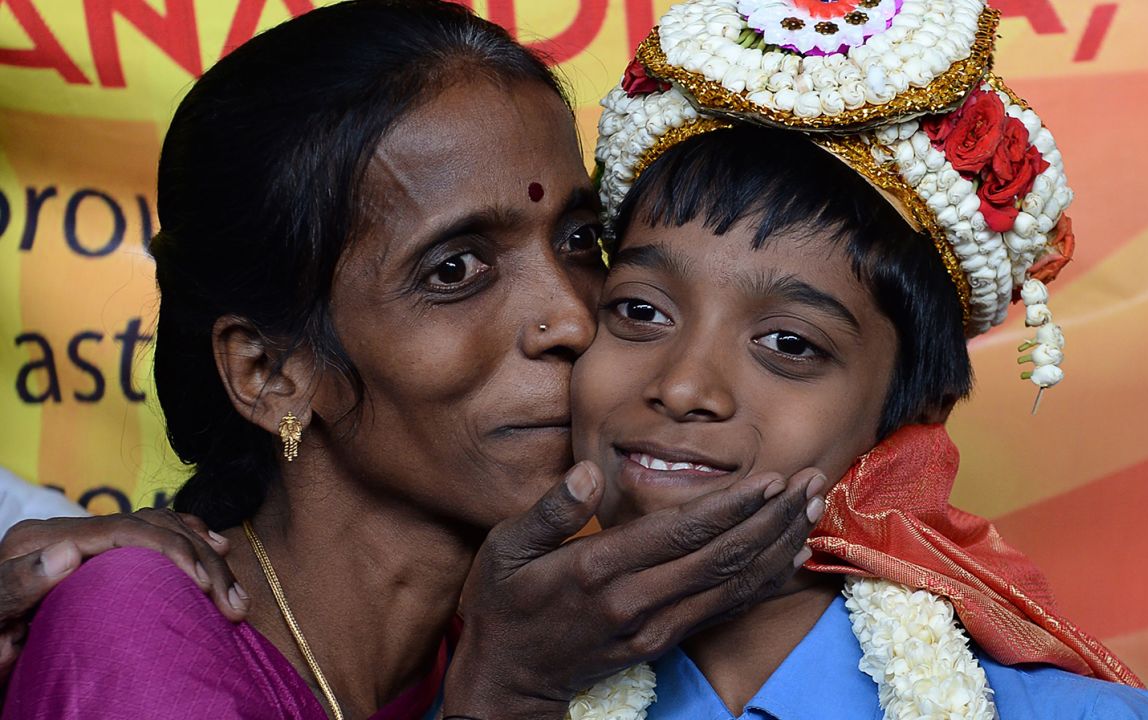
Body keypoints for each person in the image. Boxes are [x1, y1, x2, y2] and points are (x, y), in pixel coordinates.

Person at [0, 2, 829, 718]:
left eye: (581, 241)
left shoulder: (505, 632)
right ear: (270, 373)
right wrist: (506, 696)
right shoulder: (133, 619)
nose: (573, 318)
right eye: (456, 269)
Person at [555, 0, 1148, 717]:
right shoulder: (492, 687)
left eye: (789, 345)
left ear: (915, 406)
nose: (683, 385)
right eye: (641, 311)